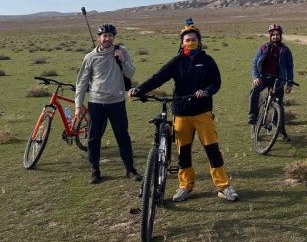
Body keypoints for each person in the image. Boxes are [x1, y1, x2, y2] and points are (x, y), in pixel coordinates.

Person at [129, 19, 239, 202]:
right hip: (181, 112)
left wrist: (206, 91)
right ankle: (185, 186)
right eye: (187, 40)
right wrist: (140, 89)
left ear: (199, 41)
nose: (190, 42)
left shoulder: (207, 60)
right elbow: (158, 77)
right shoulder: (177, 62)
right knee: (183, 153)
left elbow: (216, 83)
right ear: (182, 43)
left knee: (213, 150)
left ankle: (224, 186)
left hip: (202, 112)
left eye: (193, 39)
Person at [75, 23, 143, 184]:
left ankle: (130, 170)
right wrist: (78, 105)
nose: (107, 38)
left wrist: (122, 60)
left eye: (110, 36)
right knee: (93, 138)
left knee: (122, 136)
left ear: (114, 37)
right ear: (99, 38)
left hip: (117, 102)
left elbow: (131, 72)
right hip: (96, 103)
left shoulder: (122, 51)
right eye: (104, 36)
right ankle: (95, 171)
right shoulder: (90, 57)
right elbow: (82, 82)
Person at [248, 24, 294, 141]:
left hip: (278, 79)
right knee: (254, 90)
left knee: (279, 106)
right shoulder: (263, 48)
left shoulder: (286, 50)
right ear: (270, 36)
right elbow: (254, 64)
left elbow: (290, 67)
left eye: (277, 35)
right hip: (264, 77)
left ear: (280, 36)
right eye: (273, 35)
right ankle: (253, 117)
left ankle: (281, 132)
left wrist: (289, 83)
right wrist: (256, 77)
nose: (275, 37)